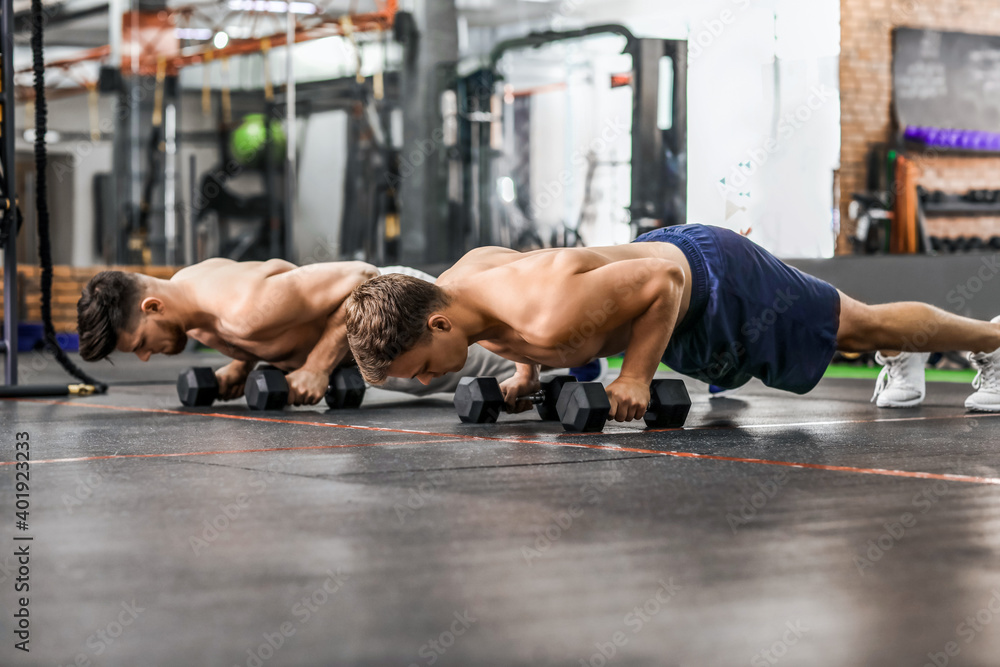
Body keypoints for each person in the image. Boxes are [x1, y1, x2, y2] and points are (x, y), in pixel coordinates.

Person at [344, 224, 1000, 421]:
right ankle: (903, 350)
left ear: (435, 323)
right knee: (858, 328)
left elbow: (664, 281)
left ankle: (992, 338)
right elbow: (504, 322)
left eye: (425, 368)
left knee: (856, 326)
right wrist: (525, 372)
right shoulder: (462, 284)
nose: (431, 379)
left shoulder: (550, 308)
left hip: (710, 277)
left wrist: (635, 374)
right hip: (666, 290)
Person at [76, 259, 516, 405]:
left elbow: (361, 276)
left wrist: (317, 366)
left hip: (399, 321)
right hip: (373, 346)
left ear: (152, 306)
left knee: (532, 362)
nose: (147, 356)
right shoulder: (192, 301)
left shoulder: (242, 307)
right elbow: (251, 333)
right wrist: (239, 366)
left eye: (139, 345)